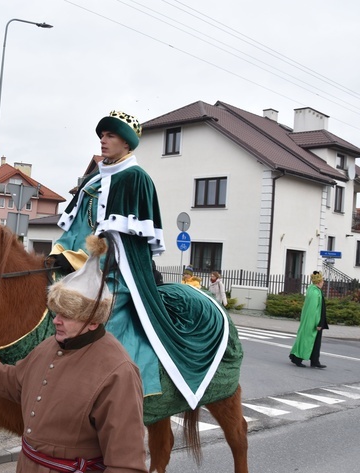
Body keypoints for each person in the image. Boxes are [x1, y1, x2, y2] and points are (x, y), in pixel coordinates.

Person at [47, 110, 233, 413]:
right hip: (87, 263)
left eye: (110, 136)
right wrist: (64, 254)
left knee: (105, 315)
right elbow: (79, 226)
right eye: (101, 136)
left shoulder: (136, 178)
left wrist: (106, 250)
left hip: (121, 271)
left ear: (126, 143)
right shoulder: (95, 178)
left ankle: (119, 390)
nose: (103, 142)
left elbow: (135, 240)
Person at [0, 236, 148, 473]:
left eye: (65, 315)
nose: (55, 321)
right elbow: (17, 381)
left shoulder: (118, 371)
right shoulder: (51, 346)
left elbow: (126, 465)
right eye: (56, 312)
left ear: (92, 320)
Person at [289, 271, 328, 368]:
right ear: (319, 282)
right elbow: (313, 310)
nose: (323, 282)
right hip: (313, 322)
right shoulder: (315, 292)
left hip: (313, 320)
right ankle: (298, 359)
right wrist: (318, 323)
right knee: (307, 340)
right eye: (322, 280)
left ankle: (314, 361)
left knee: (314, 341)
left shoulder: (312, 290)